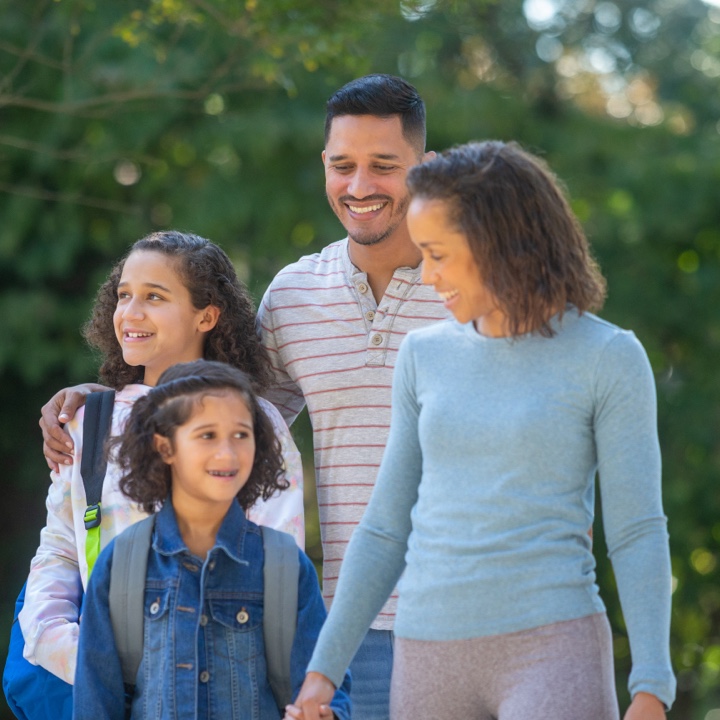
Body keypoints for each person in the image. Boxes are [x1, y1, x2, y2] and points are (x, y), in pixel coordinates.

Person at [39, 74, 450, 719]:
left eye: (384, 166)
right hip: (348, 626)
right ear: (324, 166)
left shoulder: (473, 287)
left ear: (425, 169)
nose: (360, 186)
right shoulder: (294, 295)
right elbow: (221, 419)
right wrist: (112, 396)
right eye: (343, 166)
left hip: (474, 617)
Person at [287, 141, 676, 720]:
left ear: (500, 240)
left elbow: (636, 530)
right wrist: (322, 673)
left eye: (439, 255)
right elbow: (385, 529)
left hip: (552, 646)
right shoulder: (424, 354)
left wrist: (651, 686)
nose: (430, 275)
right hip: (426, 655)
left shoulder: (607, 356)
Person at [17, 231, 304, 693]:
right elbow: (59, 553)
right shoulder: (88, 422)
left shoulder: (255, 422)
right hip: (95, 683)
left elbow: (277, 571)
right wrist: (81, 658)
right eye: (124, 295)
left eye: (154, 296)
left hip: (215, 687)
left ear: (207, 315)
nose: (130, 312)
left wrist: (183, 671)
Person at [73, 359, 349, 720]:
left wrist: (326, 713)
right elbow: (95, 703)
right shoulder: (119, 565)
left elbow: (328, 689)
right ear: (165, 447)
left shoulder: (284, 565)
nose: (227, 452)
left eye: (241, 434)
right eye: (207, 435)